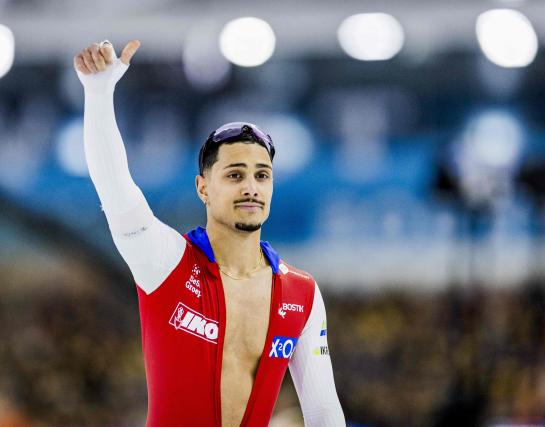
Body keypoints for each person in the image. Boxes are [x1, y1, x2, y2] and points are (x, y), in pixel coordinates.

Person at [74, 39, 345, 427]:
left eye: (261, 176)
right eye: (235, 175)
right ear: (203, 188)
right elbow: (115, 189)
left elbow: (322, 410)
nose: (250, 186)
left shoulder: (301, 294)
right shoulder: (166, 262)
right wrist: (98, 92)